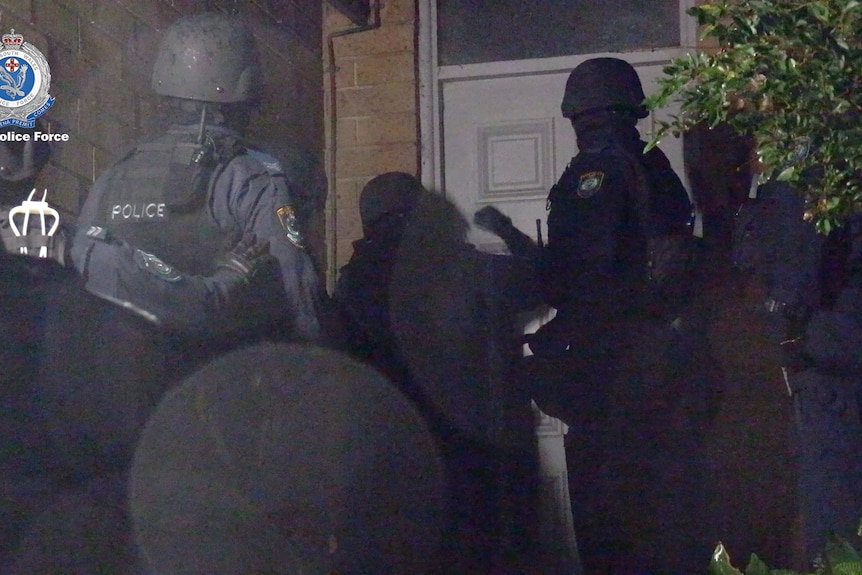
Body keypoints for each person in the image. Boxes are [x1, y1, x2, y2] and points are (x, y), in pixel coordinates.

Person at [525, 57, 712, 573]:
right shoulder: (653, 165)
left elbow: (590, 270)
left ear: (582, 112)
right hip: (657, 365)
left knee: (608, 525)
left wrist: (551, 317)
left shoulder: (598, 170)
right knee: (660, 515)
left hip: (609, 372)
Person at [69, 11, 327, 346]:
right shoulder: (248, 176)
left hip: (128, 372)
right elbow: (297, 287)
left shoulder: (117, 173)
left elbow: (82, 270)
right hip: (219, 376)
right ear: (244, 89)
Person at [334, 172, 547, 572]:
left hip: (392, 453)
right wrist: (507, 230)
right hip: (472, 450)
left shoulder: (352, 283)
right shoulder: (463, 266)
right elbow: (539, 279)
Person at [734, 182, 862, 563]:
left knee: (832, 524)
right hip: (834, 356)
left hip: (827, 366)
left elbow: (795, 275)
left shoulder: (800, 166)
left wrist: (784, 341)